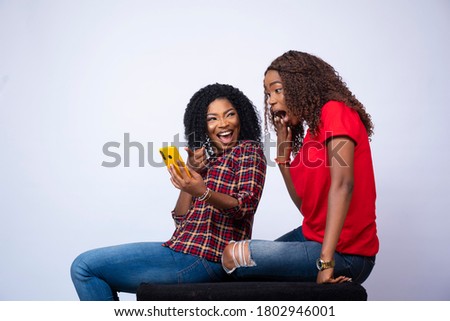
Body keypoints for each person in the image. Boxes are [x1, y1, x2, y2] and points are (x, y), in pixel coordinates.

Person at [71, 83, 266, 300]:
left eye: (229, 114)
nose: (223, 124)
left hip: (206, 257)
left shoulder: (249, 150)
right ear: (202, 125)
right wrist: (191, 173)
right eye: (212, 118)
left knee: (84, 267)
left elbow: (245, 206)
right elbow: (181, 221)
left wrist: (203, 192)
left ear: (242, 117)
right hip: (183, 250)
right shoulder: (208, 162)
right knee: (87, 268)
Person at [222, 50, 379, 285]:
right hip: (313, 237)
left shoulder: (335, 111)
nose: (271, 100)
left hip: (348, 254)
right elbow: (306, 209)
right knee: (233, 264)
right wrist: (283, 155)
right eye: (268, 94)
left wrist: (325, 264)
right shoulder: (311, 134)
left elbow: (343, 185)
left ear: (301, 85)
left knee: (236, 257)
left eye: (277, 90)